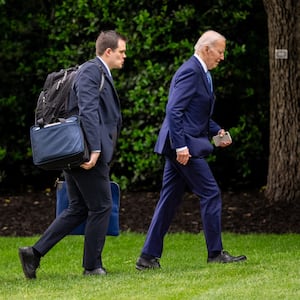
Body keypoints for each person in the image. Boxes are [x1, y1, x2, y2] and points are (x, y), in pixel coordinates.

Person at [19, 30, 127, 279]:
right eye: (121, 52)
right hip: (86, 151)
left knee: (78, 208)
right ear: (108, 52)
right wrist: (96, 149)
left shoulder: (94, 72)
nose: (124, 57)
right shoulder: (92, 71)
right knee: (101, 206)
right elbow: (88, 110)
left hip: (77, 149)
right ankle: (92, 266)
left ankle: (33, 253)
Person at [136, 30, 247, 271]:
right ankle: (215, 253)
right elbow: (174, 110)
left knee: (168, 200)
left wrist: (217, 131)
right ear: (206, 49)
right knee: (211, 193)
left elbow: (196, 115)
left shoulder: (203, 73)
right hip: (182, 147)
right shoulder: (190, 71)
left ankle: (147, 257)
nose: (222, 57)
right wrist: (181, 146)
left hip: (181, 145)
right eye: (220, 51)